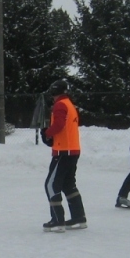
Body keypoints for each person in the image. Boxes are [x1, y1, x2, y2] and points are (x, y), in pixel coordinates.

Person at [40, 79, 87, 232]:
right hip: (73, 150)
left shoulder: (60, 105)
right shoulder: (69, 104)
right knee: (68, 184)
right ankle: (78, 217)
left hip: (63, 151)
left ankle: (57, 220)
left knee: (51, 185)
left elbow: (59, 125)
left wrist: (47, 133)